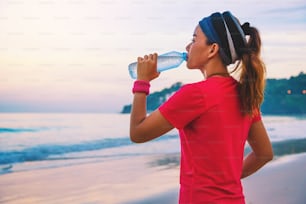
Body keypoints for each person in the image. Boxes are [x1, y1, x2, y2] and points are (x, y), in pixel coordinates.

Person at [129, 11, 273, 204]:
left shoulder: (195, 94)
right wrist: (226, 179)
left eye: (194, 39)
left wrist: (142, 82)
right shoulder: (245, 95)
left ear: (212, 49)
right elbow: (264, 154)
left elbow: (138, 133)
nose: (188, 46)